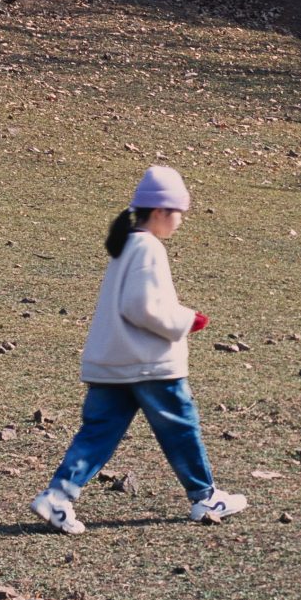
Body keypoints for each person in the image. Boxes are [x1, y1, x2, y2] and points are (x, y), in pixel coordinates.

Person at [30, 166, 249, 534]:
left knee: (99, 433)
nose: (180, 221)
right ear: (161, 211)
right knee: (181, 428)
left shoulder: (127, 245)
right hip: (148, 363)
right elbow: (142, 306)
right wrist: (186, 320)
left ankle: (58, 496)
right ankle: (205, 497)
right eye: (179, 212)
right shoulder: (148, 248)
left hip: (113, 361)